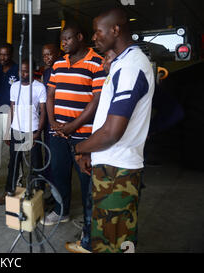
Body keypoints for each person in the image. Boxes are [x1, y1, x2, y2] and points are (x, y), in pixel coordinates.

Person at [74, 8, 155, 253]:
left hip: (118, 171)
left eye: (98, 32)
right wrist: (91, 152)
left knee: (113, 243)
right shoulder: (121, 64)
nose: (94, 37)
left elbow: (112, 131)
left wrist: (79, 148)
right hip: (110, 164)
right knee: (109, 238)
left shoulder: (131, 67)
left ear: (115, 30)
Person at [43, 22, 106, 254]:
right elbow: (51, 94)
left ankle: (90, 227)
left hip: (84, 134)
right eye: (62, 40)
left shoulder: (96, 62)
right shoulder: (59, 63)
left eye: (68, 39)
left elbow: (96, 101)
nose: (64, 43)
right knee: (59, 173)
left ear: (80, 37)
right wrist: (52, 122)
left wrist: (72, 126)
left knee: (86, 180)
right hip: (58, 131)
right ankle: (61, 210)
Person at [5, 60, 46, 197]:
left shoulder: (39, 87)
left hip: (32, 130)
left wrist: (38, 132)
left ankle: (38, 193)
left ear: (32, 71)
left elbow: (43, 112)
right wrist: (7, 130)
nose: (23, 74)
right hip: (16, 129)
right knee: (14, 162)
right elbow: (12, 108)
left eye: (26, 71)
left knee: (36, 163)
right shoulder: (14, 86)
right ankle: (10, 190)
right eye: (21, 71)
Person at [0, 44, 19, 205]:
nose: (3, 58)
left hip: (12, 113)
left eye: (6, 55)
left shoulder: (17, 71)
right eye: (1, 54)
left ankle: (18, 179)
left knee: (14, 149)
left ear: (11, 54)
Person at [40, 44, 61, 188]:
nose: (46, 58)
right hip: (48, 118)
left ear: (58, 54)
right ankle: (50, 186)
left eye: (49, 54)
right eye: (44, 55)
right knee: (48, 153)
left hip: (59, 119)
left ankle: (57, 191)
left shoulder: (62, 70)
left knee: (57, 156)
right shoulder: (46, 73)